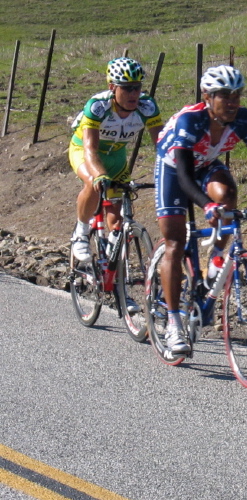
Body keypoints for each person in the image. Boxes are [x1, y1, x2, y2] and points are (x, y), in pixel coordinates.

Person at [155, 65, 247, 355]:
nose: (232, 102)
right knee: (175, 243)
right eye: (224, 96)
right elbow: (183, 175)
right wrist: (206, 205)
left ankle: (215, 259)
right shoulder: (190, 121)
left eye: (237, 95)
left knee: (228, 195)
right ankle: (173, 324)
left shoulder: (244, 119)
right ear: (207, 96)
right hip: (173, 169)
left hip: (205, 164)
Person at [69, 57, 164, 312]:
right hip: (85, 151)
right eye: (127, 87)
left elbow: (161, 145)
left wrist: (173, 171)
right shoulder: (98, 106)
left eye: (137, 87)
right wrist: (99, 174)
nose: (134, 93)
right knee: (93, 182)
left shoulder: (147, 106)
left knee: (117, 225)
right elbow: (89, 149)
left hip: (117, 157)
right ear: (113, 87)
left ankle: (117, 283)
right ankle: (80, 231)